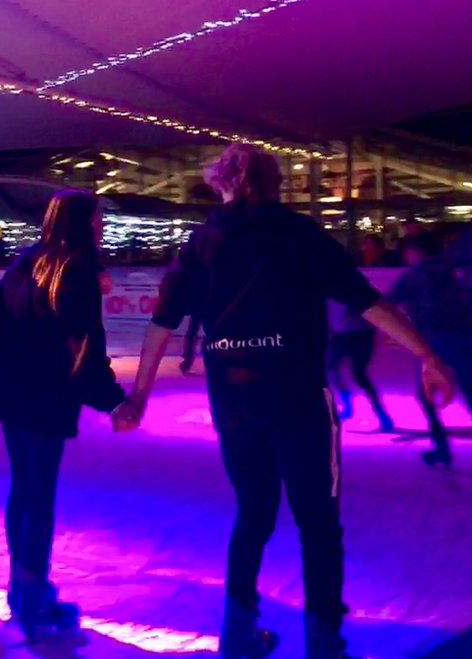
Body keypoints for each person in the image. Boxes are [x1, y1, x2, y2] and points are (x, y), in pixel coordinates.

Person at [127, 144, 456, 659]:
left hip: (232, 398)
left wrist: (139, 394)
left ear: (221, 183)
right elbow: (365, 298)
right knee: (318, 523)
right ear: (275, 182)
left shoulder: (200, 245)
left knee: (253, 512)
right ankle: (324, 644)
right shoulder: (297, 234)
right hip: (297, 395)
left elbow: (162, 324)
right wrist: (427, 353)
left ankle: (237, 637)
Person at [0, 190, 138, 639]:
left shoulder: (27, 262)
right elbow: (84, 346)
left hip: (10, 394)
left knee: (24, 487)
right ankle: (33, 597)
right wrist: (112, 400)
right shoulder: (75, 268)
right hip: (43, 396)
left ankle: (21, 591)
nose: (101, 229)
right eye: (97, 221)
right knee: (38, 493)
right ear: (80, 223)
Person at [388, 232, 472, 467]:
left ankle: (441, 448)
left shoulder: (412, 276)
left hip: (431, 344)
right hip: (464, 338)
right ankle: (441, 448)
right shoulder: (455, 268)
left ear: (415, 252)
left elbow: (388, 303)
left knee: (427, 395)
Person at [325, 301, 393, 431]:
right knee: (355, 374)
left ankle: (353, 408)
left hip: (353, 334)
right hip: (351, 334)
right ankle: (380, 415)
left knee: (355, 374)